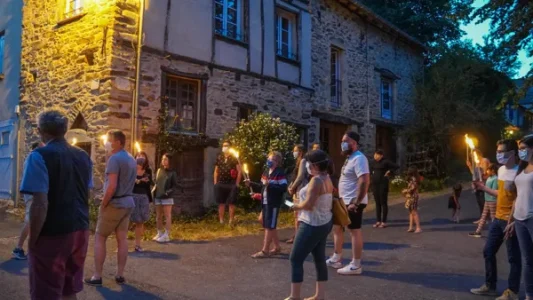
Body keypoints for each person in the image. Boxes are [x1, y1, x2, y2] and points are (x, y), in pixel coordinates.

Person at [20, 110, 92, 300]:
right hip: (80, 230)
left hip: (53, 232)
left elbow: (40, 204)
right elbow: (87, 191)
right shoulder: (83, 156)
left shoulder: (38, 156)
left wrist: (33, 239)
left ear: (39, 130)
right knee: (69, 289)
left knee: (46, 291)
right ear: (65, 129)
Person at [470, 139, 521, 300]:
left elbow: (521, 198)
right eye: (497, 151)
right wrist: (483, 187)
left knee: (514, 258)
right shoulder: (501, 171)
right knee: (488, 251)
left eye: (501, 152)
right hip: (498, 219)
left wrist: (514, 220)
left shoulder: (521, 172)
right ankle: (490, 286)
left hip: (511, 221)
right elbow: (502, 194)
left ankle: (512, 292)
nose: (498, 155)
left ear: (512, 153)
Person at [85, 130, 136, 286]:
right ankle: (120, 275)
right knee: (122, 239)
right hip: (128, 202)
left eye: (110, 140)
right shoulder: (131, 158)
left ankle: (97, 276)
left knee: (100, 237)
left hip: (115, 203)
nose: (107, 142)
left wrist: (104, 203)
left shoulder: (115, 159)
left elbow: (112, 186)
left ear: (118, 142)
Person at [286, 150, 333, 300]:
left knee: (295, 258)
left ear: (313, 165)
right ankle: (320, 296)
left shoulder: (316, 181)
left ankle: (295, 296)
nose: (305, 165)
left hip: (311, 223)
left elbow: (308, 204)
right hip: (324, 221)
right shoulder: (327, 178)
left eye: (307, 163)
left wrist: (295, 206)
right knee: (319, 258)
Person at [326, 131, 370, 276]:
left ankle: (356, 265)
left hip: (353, 202)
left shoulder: (359, 159)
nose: (343, 143)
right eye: (342, 141)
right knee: (337, 228)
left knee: (354, 231)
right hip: (343, 201)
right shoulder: (349, 158)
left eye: (346, 141)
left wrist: (356, 203)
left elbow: (364, 181)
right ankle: (336, 258)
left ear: (354, 143)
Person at [247, 151, 287, 258]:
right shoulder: (266, 172)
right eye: (269, 158)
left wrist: (270, 185)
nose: (270, 160)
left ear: (278, 162)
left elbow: (283, 188)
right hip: (265, 201)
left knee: (269, 226)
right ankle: (277, 247)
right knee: (262, 220)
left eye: (273, 159)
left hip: (273, 203)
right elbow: (262, 185)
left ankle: (265, 250)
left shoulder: (280, 173)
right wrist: (251, 184)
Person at [510, 134, 533, 300]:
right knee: (527, 260)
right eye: (519, 149)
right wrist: (511, 219)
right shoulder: (522, 169)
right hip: (519, 219)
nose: (521, 152)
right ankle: (529, 295)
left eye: (524, 148)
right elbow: (517, 196)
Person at [12, 142, 43, 260]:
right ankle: (18, 248)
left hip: (32, 193)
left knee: (33, 221)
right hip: (32, 193)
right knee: (30, 221)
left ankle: (32, 249)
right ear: (36, 148)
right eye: (42, 147)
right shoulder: (33, 158)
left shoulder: (32, 158)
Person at [152, 153, 179, 243]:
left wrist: (168, 192)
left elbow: (175, 186)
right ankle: (159, 232)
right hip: (158, 196)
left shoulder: (173, 172)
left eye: (166, 159)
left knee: (167, 215)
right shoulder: (159, 170)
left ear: (170, 161)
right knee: (158, 216)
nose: (163, 161)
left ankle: (167, 234)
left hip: (167, 196)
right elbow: (157, 182)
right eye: (163, 159)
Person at [214, 141, 241, 225]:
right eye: (223, 145)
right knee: (221, 203)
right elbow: (216, 171)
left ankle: (231, 221)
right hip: (221, 183)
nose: (224, 147)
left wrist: (237, 183)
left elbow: (239, 171)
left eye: (226, 145)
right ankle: (221, 221)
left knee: (231, 203)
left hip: (231, 184)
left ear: (230, 147)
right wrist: (215, 183)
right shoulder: (219, 157)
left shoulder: (234, 158)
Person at [370, 149, 398, 228]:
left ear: (381, 156)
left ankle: (384, 221)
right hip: (375, 184)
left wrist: (389, 171)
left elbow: (396, 166)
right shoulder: (373, 162)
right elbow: (371, 169)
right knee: (377, 203)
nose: (375, 156)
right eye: (375, 154)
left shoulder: (386, 162)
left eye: (377, 155)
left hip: (383, 184)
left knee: (383, 202)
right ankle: (378, 221)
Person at [131, 153, 153, 252]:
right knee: (127, 220)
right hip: (132, 196)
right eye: (138, 156)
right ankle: (122, 245)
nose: (140, 158)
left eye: (142, 156)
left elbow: (149, 182)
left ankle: (138, 245)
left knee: (140, 221)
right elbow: (128, 181)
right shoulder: (131, 169)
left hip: (143, 197)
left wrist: (142, 180)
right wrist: (139, 180)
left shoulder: (148, 170)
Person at [287, 144, 308, 244]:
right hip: (297, 189)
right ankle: (297, 235)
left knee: (298, 214)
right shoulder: (299, 161)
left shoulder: (303, 160)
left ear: (300, 151)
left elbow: (300, 176)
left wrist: (293, 187)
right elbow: (295, 176)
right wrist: (291, 184)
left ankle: (298, 236)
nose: (293, 152)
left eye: (295, 150)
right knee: (296, 214)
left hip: (301, 190)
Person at [470, 163, 498, 238]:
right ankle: (478, 231)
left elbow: (493, 191)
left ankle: (495, 233)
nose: (487, 171)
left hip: (492, 201)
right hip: (487, 200)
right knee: (483, 216)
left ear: (493, 170)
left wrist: (484, 187)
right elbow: (485, 187)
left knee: (493, 218)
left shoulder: (495, 179)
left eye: (488, 170)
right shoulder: (489, 178)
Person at [468, 149, 491, 223]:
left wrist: (480, 173)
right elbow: (474, 173)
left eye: (473, 155)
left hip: (484, 184)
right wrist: (470, 166)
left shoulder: (484, 160)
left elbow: (483, 172)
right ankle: (482, 218)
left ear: (478, 154)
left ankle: (486, 218)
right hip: (477, 185)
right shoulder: (476, 163)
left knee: (484, 202)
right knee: (480, 202)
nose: (472, 157)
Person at [403, 166, 422, 233]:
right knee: (411, 212)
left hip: (413, 196)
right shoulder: (412, 178)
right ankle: (411, 227)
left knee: (414, 211)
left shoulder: (414, 179)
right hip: (410, 196)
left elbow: (413, 188)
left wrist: (406, 190)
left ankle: (418, 227)